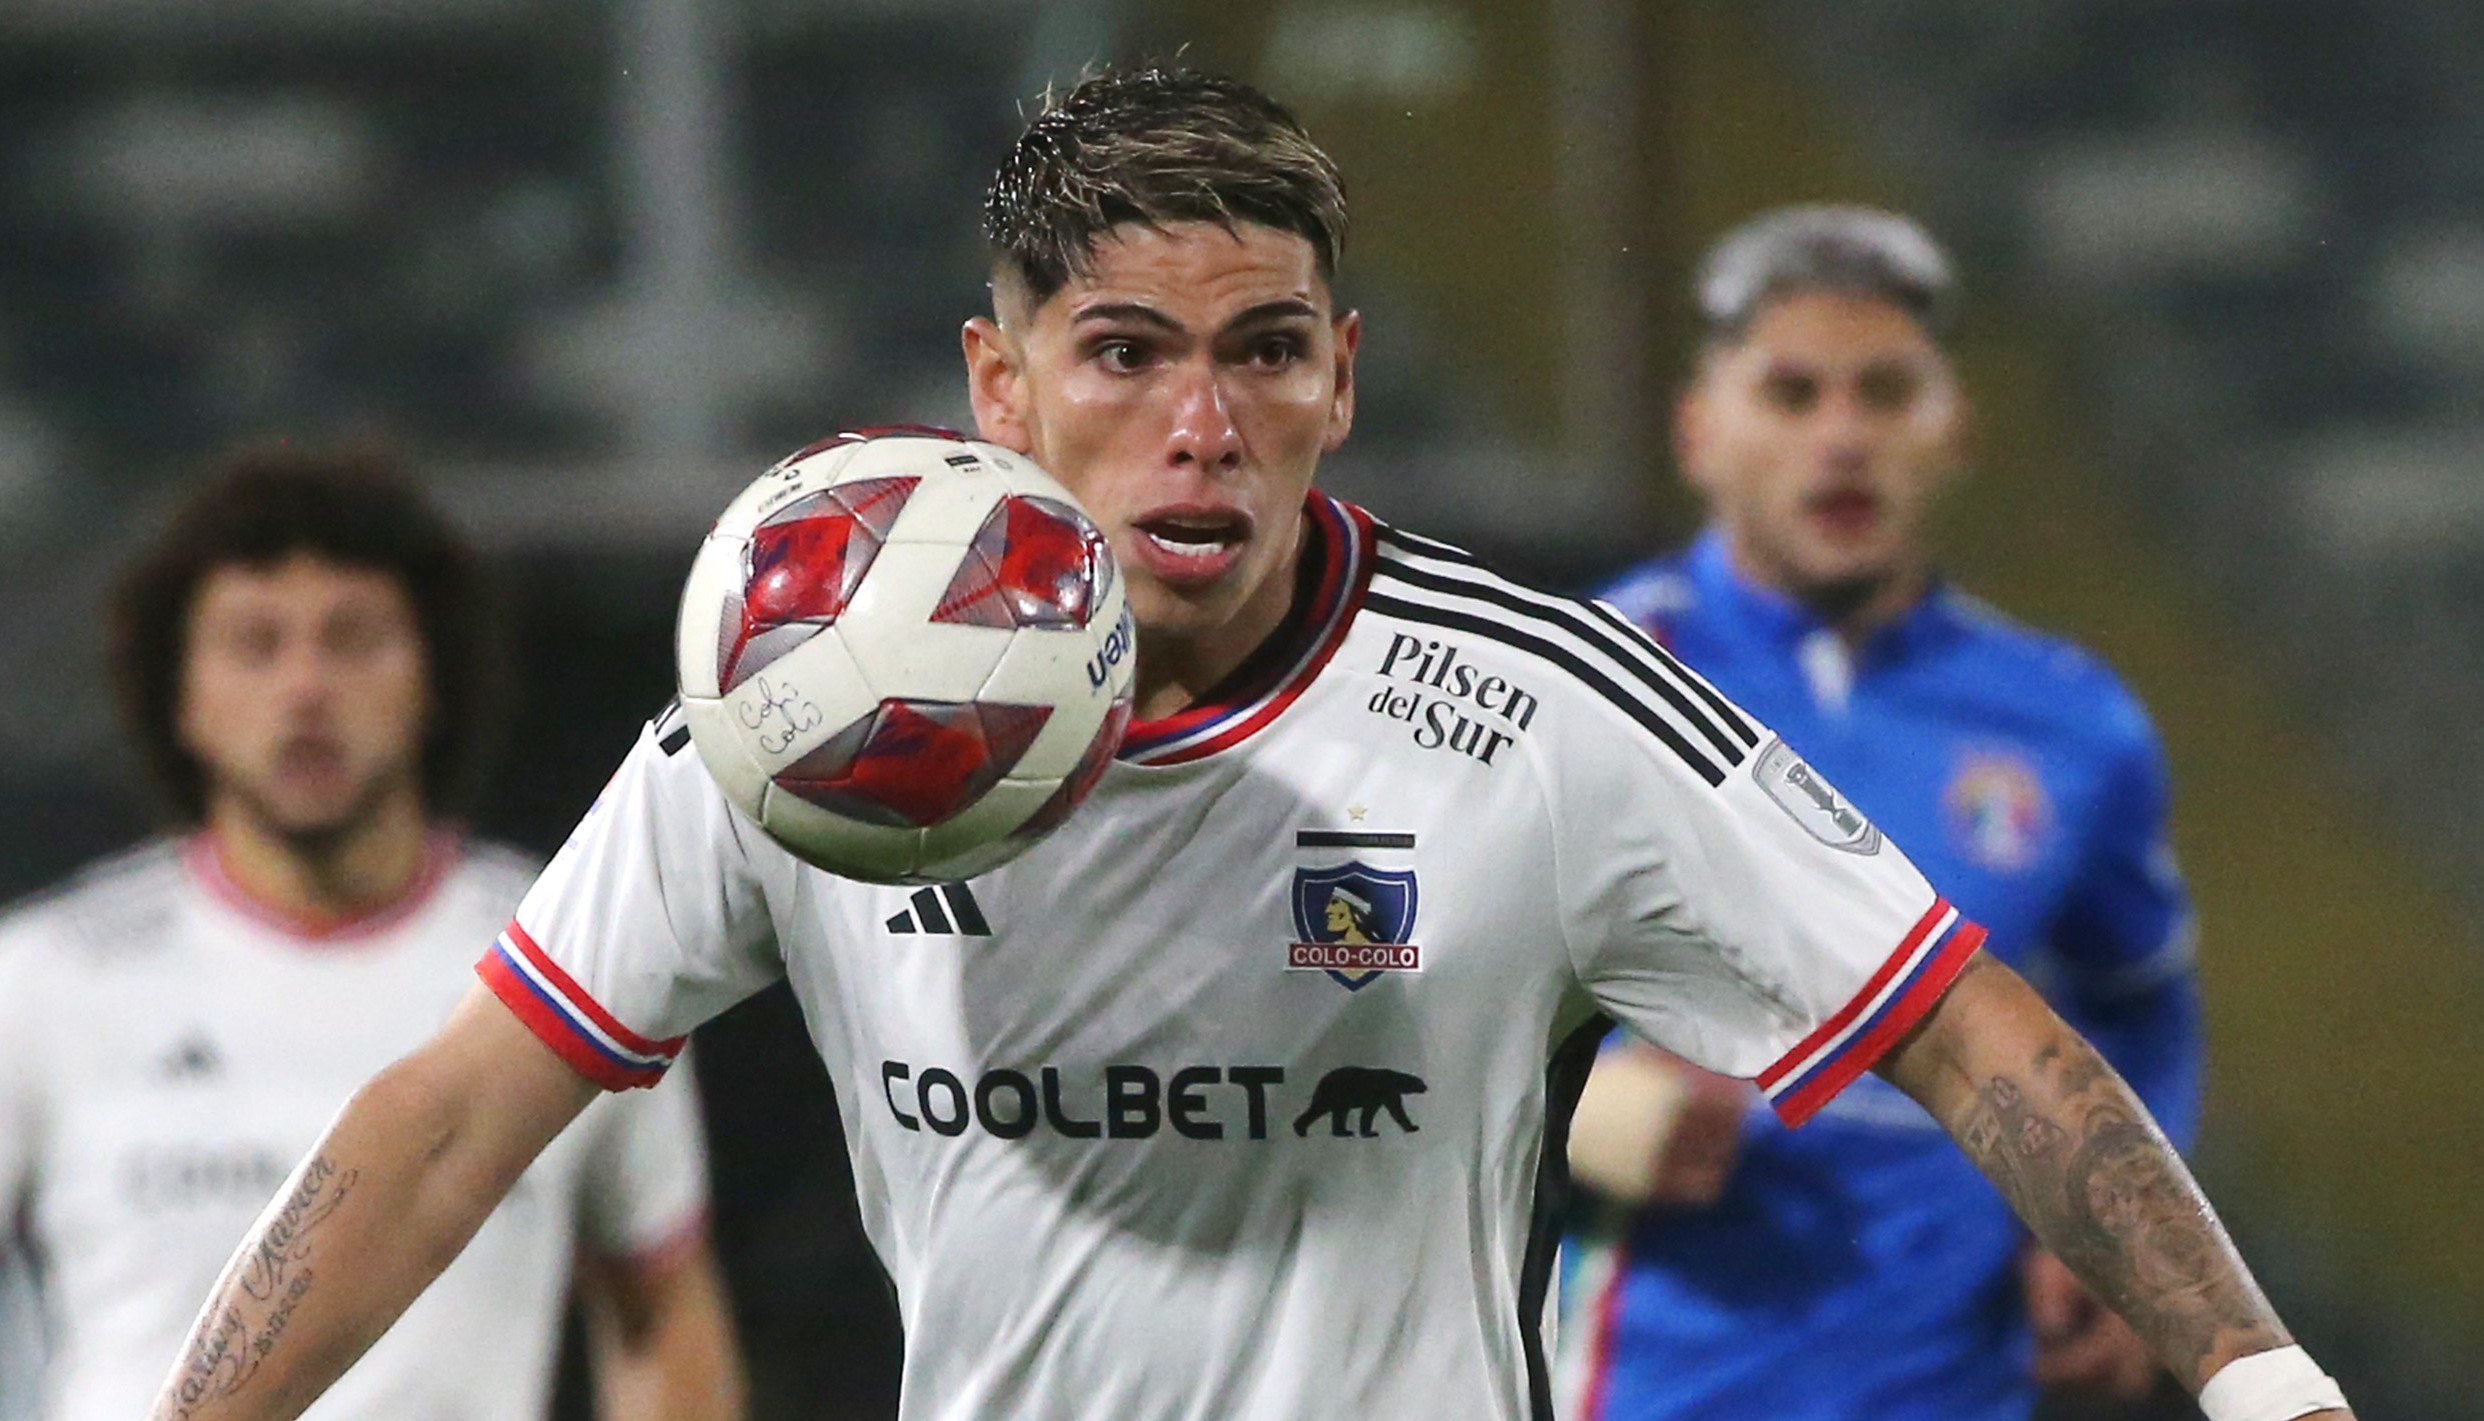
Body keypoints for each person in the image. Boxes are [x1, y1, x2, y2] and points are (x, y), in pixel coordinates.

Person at [149, 70, 2353, 1421]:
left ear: (1340, 380)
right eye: (1122, 353)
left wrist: (2266, 1373)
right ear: (997, 386)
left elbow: (1969, 1023)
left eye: (1261, 351)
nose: (1197, 421)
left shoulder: (1546, 713)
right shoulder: (804, 703)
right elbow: (449, 1119)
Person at [1554, 206, 2203, 1420]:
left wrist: (2127, 1241)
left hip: (1951, 1382)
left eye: (1886, 391)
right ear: (1701, 430)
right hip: (1638, 1374)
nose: (1843, 437)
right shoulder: (1580, 684)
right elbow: (1393, 987)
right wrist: (1577, 1107)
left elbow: (2141, 1002)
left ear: (1951, 427)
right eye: (1793, 394)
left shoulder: (2071, 723)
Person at [0, 452, 747, 1420]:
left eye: (354, 639)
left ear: (434, 675)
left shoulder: (579, 955)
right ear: (183, 696)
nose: (306, 685)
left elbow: (654, 1311)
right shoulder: (43, 975)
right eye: (255, 644)